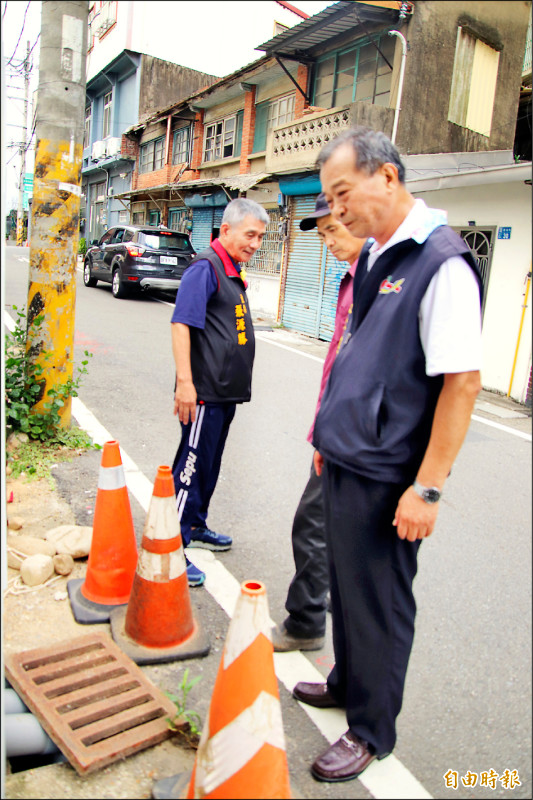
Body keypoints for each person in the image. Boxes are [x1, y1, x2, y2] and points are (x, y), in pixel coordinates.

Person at [292, 127, 483, 783]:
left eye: (342, 193)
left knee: (378, 600)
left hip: (389, 473)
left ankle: (372, 728)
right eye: (328, 198)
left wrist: (425, 489)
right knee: (346, 585)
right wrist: (327, 436)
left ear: (388, 178)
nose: (336, 210)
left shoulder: (441, 263)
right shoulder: (377, 255)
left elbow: (460, 383)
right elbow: (358, 356)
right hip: (347, 455)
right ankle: (347, 680)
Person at [271, 193, 366, 652]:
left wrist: (332, 437)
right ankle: (323, 612)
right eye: (323, 232)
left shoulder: (378, 283)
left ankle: (306, 623)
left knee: (312, 526)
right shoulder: (351, 279)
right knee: (332, 530)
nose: (327, 241)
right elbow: (337, 364)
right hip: (338, 432)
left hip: (354, 439)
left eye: (333, 229)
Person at [170, 198, 268, 587]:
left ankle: (195, 525)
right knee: (190, 468)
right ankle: (171, 545)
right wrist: (185, 384)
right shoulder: (204, 269)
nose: (256, 243)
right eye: (250, 235)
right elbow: (181, 324)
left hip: (224, 395)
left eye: (261, 237)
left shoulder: (232, 270)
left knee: (209, 467)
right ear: (225, 230)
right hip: (204, 394)